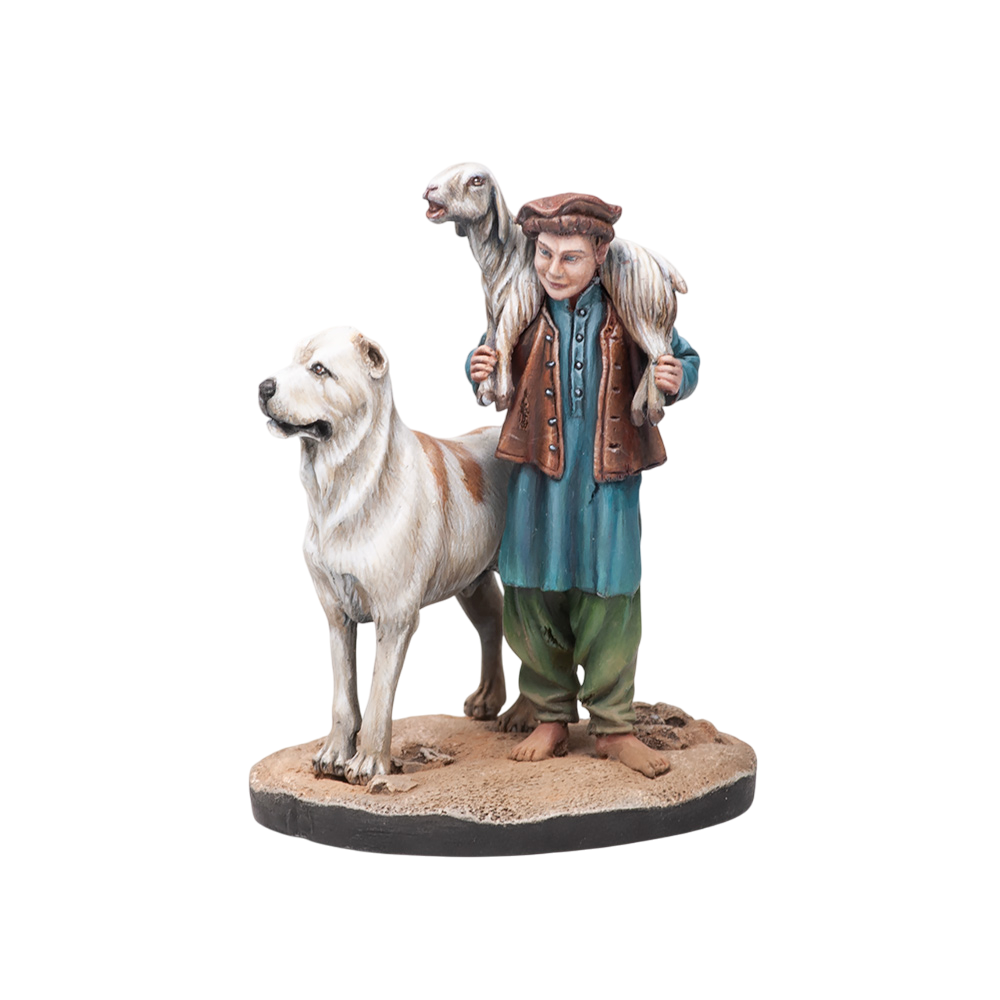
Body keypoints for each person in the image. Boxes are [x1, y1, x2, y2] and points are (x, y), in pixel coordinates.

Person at [467, 193, 700, 778]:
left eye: (569, 257)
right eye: (544, 254)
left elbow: (681, 355)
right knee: (531, 589)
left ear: (600, 254)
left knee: (610, 594)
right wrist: (477, 366)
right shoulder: (522, 309)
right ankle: (548, 712)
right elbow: (489, 356)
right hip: (536, 481)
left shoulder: (631, 307)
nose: (553, 269)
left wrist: (675, 376)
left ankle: (613, 726)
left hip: (606, 482)